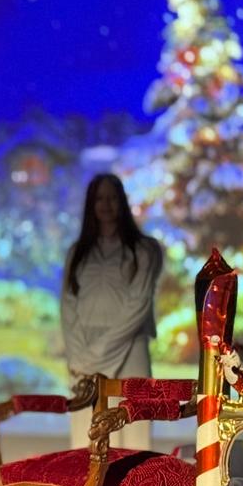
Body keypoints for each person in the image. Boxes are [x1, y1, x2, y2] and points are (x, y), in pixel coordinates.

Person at [60, 172, 163, 453]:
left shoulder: (144, 250)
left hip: (129, 350)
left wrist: (97, 354)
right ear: (91, 204)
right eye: (99, 199)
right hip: (84, 358)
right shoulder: (77, 253)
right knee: (88, 437)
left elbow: (138, 306)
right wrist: (80, 356)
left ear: (122, 201)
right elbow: (68, 308)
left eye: (112, 198)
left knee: (132, 434)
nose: (106, 205)